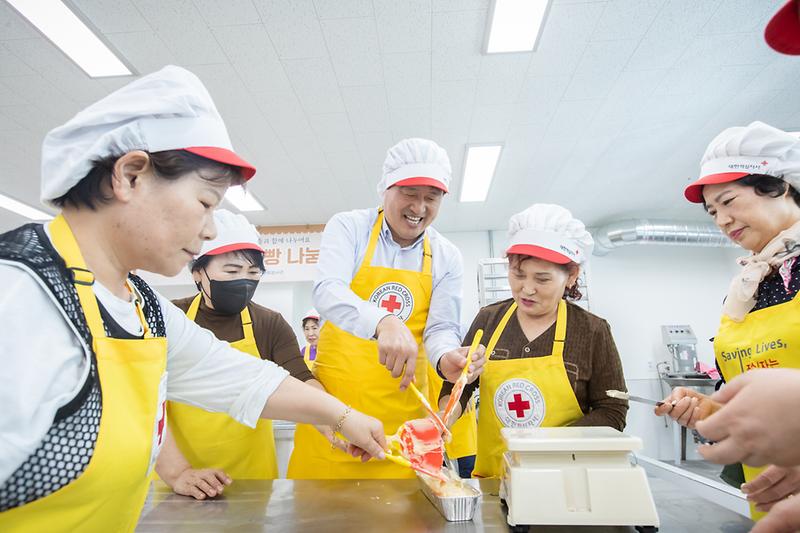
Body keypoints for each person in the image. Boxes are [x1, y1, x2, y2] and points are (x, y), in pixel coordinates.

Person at [0, 66, 385, 532]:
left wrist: (341, 416)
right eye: (205, 203)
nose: (210, 229)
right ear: (131, 176)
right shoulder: (20, 297)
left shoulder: (143, 307)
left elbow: (238, 376)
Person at [287, 138, 486, 479]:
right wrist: (383, 321)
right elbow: (327, 289)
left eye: (432, 197)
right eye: (409, 193)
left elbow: (440, 329)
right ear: (385, 188)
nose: (419, 207)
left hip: (404, 428)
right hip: (335, 420)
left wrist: (446, 358)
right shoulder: (350, 227)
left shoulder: (446, 255)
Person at [655, 121, 800, 521]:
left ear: (779, 185)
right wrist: (710, 409)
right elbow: (743, 393)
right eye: (713, 211)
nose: (721, 219)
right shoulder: (749, 289)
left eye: (728, 201)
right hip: (771, 503)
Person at [156, 210, 341, 499]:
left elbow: (302, 379)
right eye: (231, 272)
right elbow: (146, 399)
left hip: (251, 477)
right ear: (197, 273)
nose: (243, 281)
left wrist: (336, 417)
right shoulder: (171, 317)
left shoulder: (268, 323)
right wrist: (177, 472)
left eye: (253, 273)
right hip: (180, 477)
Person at [440, 204, 628, 478]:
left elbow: (613, 411)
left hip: (567, 476)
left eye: (542, 279)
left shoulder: (591, 331)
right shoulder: (489, 319)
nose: (527, 289)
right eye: (518, 274)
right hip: (497, 479)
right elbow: (459, 386)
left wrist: (548, 446)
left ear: (571, 276)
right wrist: (443, 418)